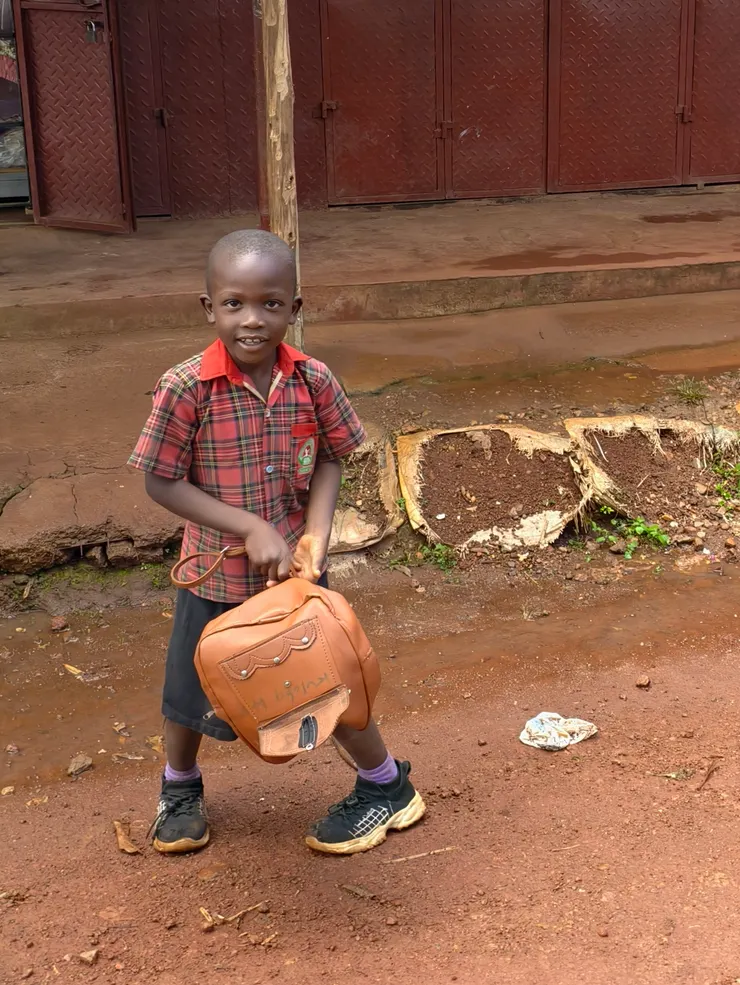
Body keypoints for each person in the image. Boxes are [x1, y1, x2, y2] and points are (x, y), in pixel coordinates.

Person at [129, 229, 425, 856]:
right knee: (187, 690)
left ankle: (385, 786)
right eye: (234, 304)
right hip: (214, 576)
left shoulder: (314, 380)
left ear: (295, 305)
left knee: (324, 679)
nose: (253, 320)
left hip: (294, 578)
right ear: (208, 308)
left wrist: (315, 534)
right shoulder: (185, 388)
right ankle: (179, 787)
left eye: (271, 303)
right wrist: (249, 526)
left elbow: (332, 460)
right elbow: (161, 481)